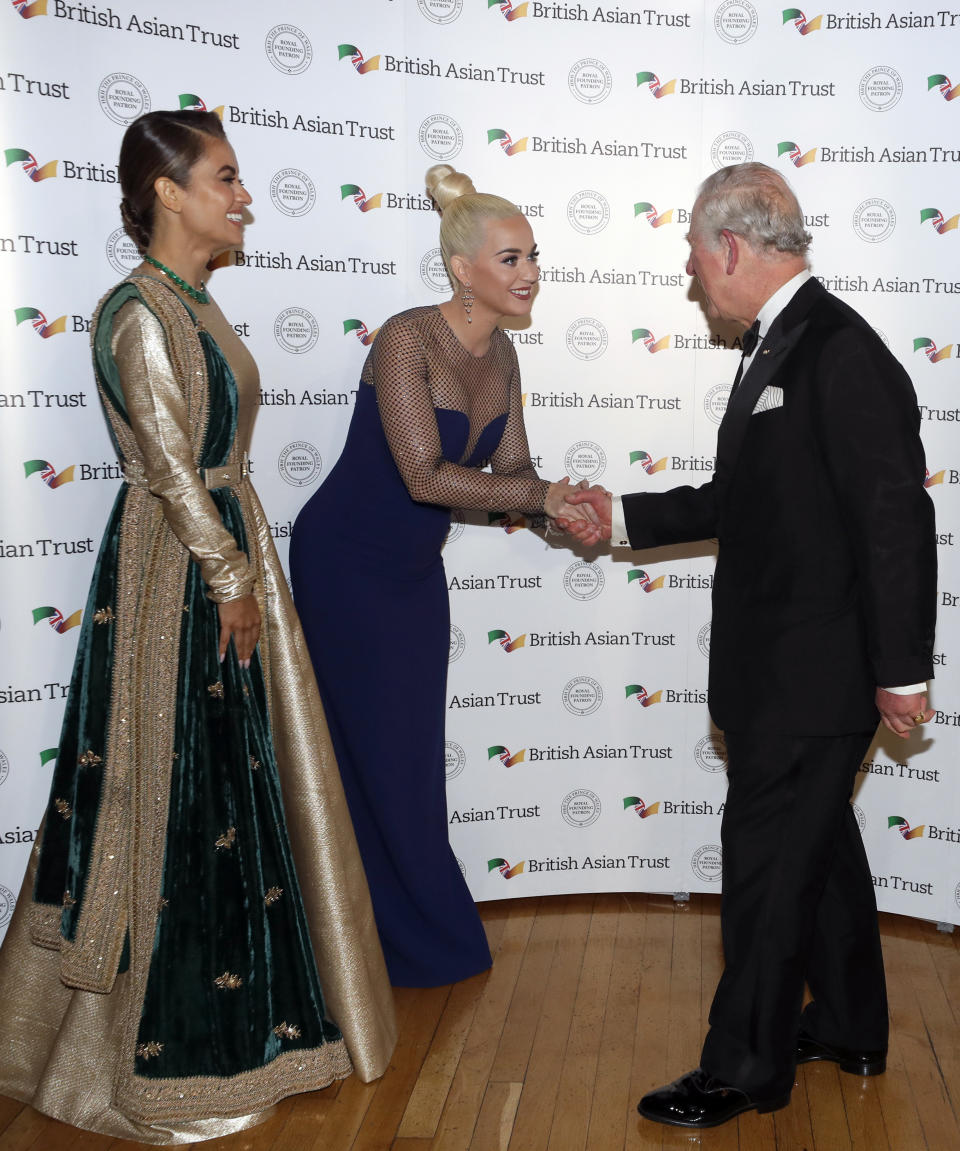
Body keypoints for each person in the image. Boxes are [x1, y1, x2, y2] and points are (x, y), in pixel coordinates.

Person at [0, 110, 396, 1143]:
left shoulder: (197, 303)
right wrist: (227, 573)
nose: (242, 195)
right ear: (167, 193)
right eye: (223, 177)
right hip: (178, 569)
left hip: (219, 550)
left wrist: (237, 560)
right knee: (168, 787)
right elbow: (170, 463)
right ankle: (134, 1051)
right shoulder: (136, 310)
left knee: (226, 780)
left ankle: (243, 1019)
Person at [561, 162, 937, 1129]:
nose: (693, 278)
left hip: (815, 676)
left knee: (767, 872)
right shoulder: (779, 347)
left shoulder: (840, 353)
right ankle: (851, 1024)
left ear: (732, 247)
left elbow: (894, 520)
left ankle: (745, 1066)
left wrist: (901, 673)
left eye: (695, 257)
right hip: (782, 670)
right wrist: (626, 516)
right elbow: (747, 502)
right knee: (820, 853)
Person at [289, 163, 593, 988]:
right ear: (462, 269)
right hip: (344, 568)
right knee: (366, 756)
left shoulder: (502, 361)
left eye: (534, 257)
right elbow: (425, 474)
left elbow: (513, 469)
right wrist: (536, 494)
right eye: (511, 259)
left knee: (410, 759)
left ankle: (396, 937)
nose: (529, 274)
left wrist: (565, 508)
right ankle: (366, 942)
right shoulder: (405, 338)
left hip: (414, 575)